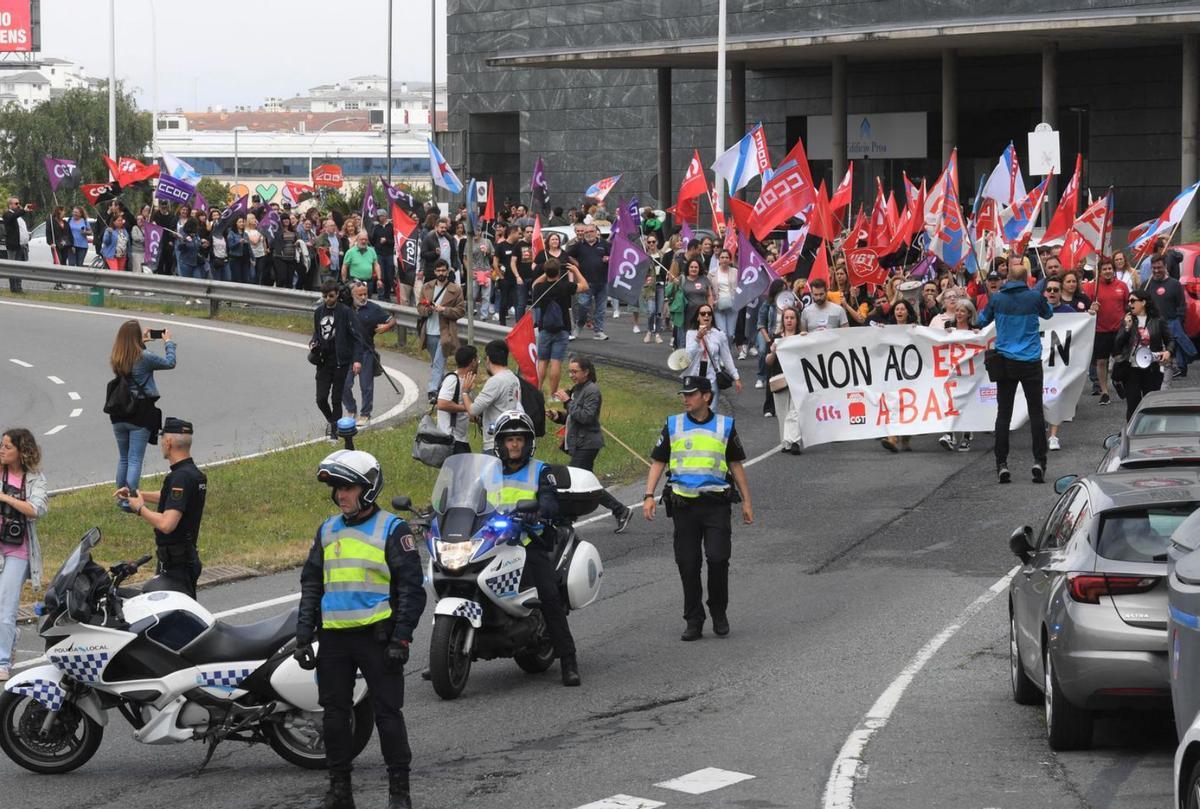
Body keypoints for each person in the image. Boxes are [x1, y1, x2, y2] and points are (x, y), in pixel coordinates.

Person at [295, 450, 426, 809]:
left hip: (378, 638)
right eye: (337, 489)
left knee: (387, 715)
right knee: (334, 718)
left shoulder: (392, 529)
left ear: (368, 489)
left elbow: (412, 589)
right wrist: (303, 634)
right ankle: (340, 792)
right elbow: (312, 584)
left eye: (348, 488)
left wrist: (401, 637)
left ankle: (399, 793)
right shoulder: (326, 529)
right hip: (335, 640)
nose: (341, 496)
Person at [642, 375, 753, 641]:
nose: (686, 399)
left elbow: (736, 464)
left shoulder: (725, 426)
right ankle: (693, 619)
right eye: (684, 394)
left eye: (691, 394)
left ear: (706, 396)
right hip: (684, 506)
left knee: (718, 560)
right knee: (688, 565)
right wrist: (648, 495)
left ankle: (718, 611)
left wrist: (747, 501)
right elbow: (658, 462)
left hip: (716, 505)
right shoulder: (673, 424)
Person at [491, 411, 581, 686]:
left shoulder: (540, 471)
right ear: (501, 443)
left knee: (549, 597)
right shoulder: (488, 471)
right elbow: (469, 497)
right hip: (492, 544)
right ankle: (447, 653)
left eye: (519, 439)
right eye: (509, 440)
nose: (514, 445)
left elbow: (550, 502)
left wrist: (538, 512)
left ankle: (568, 660)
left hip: (529, 543)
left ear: (527, 442)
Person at [976, 256, 1053, 484]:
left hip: (1006, 361)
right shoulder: (1034, 297)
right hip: (1030, 361)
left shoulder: (997, 298)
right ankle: (1039, 461)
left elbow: (981, 321)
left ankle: (1002, 464)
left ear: (1007, 278)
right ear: (1027, 278)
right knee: (1036, 413)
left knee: (1004, 414)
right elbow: (1048, 313)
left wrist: (991, 302)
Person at [115, 418, 206, 598]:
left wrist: (140, 508)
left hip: (177, 564)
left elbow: (167, 524)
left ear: (168, 442)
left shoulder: (180, 478)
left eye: (162, 439)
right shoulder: (192, 474)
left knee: (171, 617)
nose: (161, 444)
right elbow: (171, 498)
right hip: (181, 559)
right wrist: (136, 493)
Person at [547, 357, 633, 532]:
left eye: (575, 371)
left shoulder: (592, 391)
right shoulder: (578, 390)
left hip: (588, 443)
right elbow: (574, 417)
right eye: (570, 371)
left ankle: (567, 519)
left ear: (586, 372)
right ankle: (620, 510)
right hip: (579, 442)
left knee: (577, 482)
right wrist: (558, 416)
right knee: (585, 483)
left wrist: (567, 402)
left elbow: (587, 417)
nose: (571, 375)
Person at [109, 321, 175, 511]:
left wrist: (142, 342)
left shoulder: (117, 356)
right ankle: (131, 500)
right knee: (135, 458)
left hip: (119, 411)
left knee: (123, 458)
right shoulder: (144, 356)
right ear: (137, 337)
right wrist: (168, 342)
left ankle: (121, 498)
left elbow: (133, 366)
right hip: (140, 411)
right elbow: (170, 363)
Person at [0, 428, 48, 681]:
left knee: (6, 607)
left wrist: (5, 498)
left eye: (7, 446)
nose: (2, 450)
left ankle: (2, 661)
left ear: (21, 451)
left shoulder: (35, 479)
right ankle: (11, 637)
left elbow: (35, 510)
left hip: (18, 549)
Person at [311, 280, 366, 441]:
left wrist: (357, 360)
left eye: (331, 296)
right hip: (323, 361)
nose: (328, 299)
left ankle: (334, 432)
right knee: (321, 398)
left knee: (336, 398)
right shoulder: (319, 312)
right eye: (325, 296)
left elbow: (357, 338)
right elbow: (317, 333)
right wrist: (313, 342)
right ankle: (333, 421)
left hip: (340, 361)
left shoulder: (346, 312)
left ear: (337, 294)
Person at [1114, 289, 1175, 420]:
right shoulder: (1127, 321)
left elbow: (1170, 340)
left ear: (1143, 302)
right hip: (1131, 370)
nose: (1130, 304)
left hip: (1152, 369)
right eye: (1128, 301)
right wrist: (1126, 328)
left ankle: (1150, 433)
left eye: (1133, 300)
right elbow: (1117, 345)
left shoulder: (1157, 320)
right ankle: (1132, 435)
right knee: (1133, 405)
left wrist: (1168, 352)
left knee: (1151, 404)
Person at [342, 282, 396, 428]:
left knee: (366, 386)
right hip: (347, 352)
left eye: (365, 294)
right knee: (343, 384)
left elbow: (391, 319)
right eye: (360, 294)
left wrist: (387, 326)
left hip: (366, 351)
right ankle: (351, 409)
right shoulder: (344, 307)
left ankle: (365, 413)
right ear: (352, 294)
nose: (363, 297)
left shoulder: (373, 308)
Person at [531, 258, 587, 395]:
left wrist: (546, 272)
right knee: (556, 362)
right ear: (559, 272)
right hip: (562, 328)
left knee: (542, 362)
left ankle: (537, 391)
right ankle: (553, 393)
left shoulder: (540, 288)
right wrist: (575, 270)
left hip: (545, 328)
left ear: (546, 271)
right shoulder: (565, 286)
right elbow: (584, 286)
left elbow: (534, 284)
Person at [416, 258, 466, 405]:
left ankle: (432, 391)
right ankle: (445, 386)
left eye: (443, 270)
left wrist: (444, 310)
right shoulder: (427, 287)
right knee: (436, 363)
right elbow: (419, 307)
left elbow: (461, 311)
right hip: (429, 331)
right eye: (438, 271)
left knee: (438, 362)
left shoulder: (455, 289)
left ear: (448, 270)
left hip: (446, 332)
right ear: (434, 272)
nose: (441, 273)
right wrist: (427, 310)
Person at [1083, 257, 1129, 406]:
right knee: (1101, 362)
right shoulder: (1092, 288)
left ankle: (1118, 381)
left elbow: (1128, 306)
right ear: (1099, 272)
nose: (1108, 271)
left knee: (1120, 360)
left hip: (1119, 330)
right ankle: (1104, 392)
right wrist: (1091, 308)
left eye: (1110, 268)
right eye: (1105, 269)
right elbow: (1085, 308)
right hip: (1100, 330)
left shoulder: (1122, 286)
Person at [1142, 253, 1194, 386]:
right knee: (1152, 359)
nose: (1156, 270)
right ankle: (1153, 384)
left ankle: (1165, 387)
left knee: (1167, 361)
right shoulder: (1146, 285)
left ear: (1165, 266)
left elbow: (1182, 307)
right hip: (1151, 328)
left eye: (1159, 267)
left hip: (1170, 327)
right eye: (1153, 268)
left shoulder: (1175, 284)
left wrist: (1178, 325)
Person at [469, 340, 522, 453]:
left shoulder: (495, 381)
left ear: (488, 359)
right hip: (509, 439)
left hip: (494, 443)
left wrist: (464, 392)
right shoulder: (514, 378)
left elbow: (473, 410)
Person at [685, 305, 741, 410]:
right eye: (703, 314)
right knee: (695, 411)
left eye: (709, 314)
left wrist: (736, 377)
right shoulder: (691, 334)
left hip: (712, 378)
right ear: (698, 317)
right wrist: (698, 338)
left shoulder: (719, 334)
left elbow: (727, 357)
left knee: (711, 411)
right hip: (695, 377)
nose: (706, 316)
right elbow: (689, 356)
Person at [567, 224, 611, 340]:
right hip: (585, 283)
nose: (589, 234)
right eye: (586, 232)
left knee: (600, 309)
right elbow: (567, 255)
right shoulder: (579, 246)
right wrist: (576, 264)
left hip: (602, 281)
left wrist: (609, 258)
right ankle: (579, 324)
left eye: (591, 231)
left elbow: (614, 256)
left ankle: (599, 331)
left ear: (596, 232)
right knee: (583, 306)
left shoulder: (605, 244)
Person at [437, 345, 478, 455]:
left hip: (460, 439)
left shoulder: (466, 382)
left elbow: (469, 414)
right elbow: (441, 404)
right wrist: (467, 408)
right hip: (450, 438)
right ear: (472, 362)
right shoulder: (452, 379)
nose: (477, 364)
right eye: (477, 360)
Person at [3, 196, 30, 292]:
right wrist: (23, 210)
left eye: (19, 203)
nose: (18, 205)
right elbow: (12, 217)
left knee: (19, 268)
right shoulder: (7, 214)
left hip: (21, 246)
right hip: (12, 245)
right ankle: (13, 288)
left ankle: (18, 287)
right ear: (10, 205)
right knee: (12, 267)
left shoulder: (18, 216)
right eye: (16, 203)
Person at [372, 209, 396, 302]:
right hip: (379, 254)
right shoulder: (376, 227)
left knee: (389, 276)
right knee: (380, 276)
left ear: (385, 216)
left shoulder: (391, 227)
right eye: (378, 216)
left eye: (380, 216)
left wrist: (387, 241)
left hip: (389, 254)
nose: (379, 218)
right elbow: (373, 240)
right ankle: (381, 296)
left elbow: (395, 241)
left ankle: (387, 295)